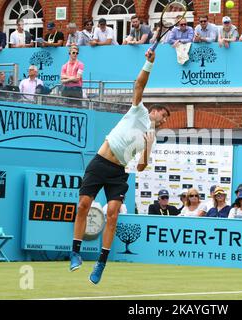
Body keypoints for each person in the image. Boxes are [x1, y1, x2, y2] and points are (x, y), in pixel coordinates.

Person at [69, 49, 170, 284]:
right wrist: (149, 62)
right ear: (154, 111)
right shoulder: (139, 110)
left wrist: (146, 148)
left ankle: (101, 264)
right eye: (163, 115)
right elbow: (139, 84)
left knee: (112, 215)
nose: (164, 120)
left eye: (166, 119)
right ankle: (75, 251)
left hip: (118, 172)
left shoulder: (151, 135)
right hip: (101, 161)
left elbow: (142, 167)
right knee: (84, 204)